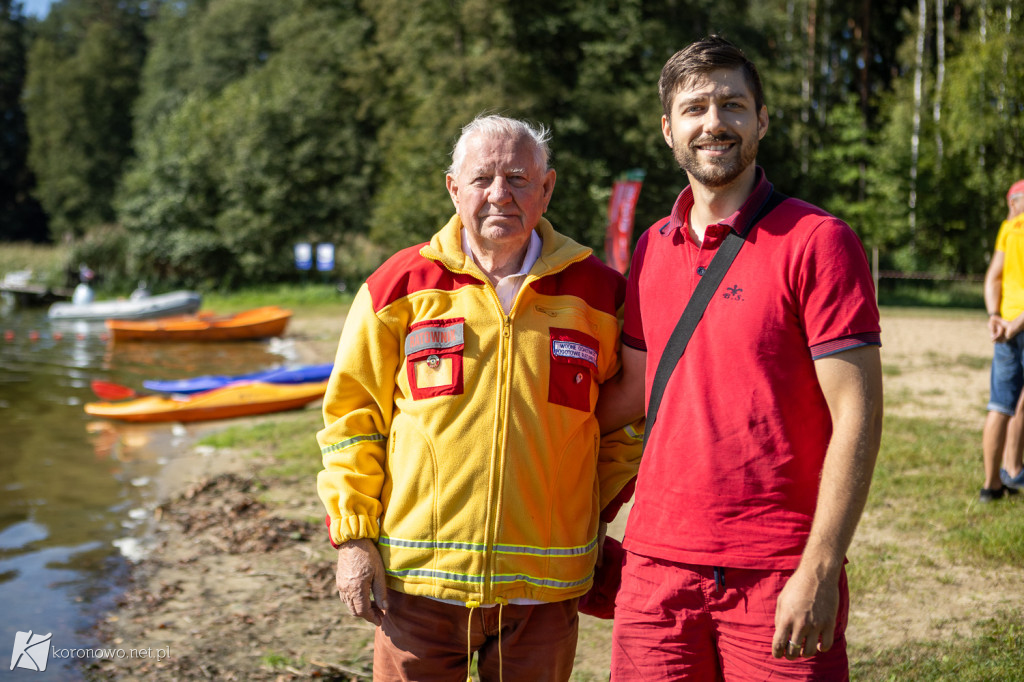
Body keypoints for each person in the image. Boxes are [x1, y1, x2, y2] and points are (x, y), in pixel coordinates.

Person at [315, 114, 642, 681]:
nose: (500, 195)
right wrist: (353, 537)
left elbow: (630, 420)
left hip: (545, 589)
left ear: (547, 188)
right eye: (482, 178)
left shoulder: (601, 294)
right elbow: (353, 419)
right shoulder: (397, 287)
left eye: (518, 178)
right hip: (415, 585)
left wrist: (586, 507)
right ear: (453, 188)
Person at [597, 36, 883, 680]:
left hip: (777, 568)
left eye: (732, 104)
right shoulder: (650, 247)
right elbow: (634, 389)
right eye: (695, 107)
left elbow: (857, 416)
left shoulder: (820, 241)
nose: (714, 122)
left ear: (762, 120)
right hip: (654, 572)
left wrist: (821, 566)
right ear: (668, 129)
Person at [982, 179, 1024, 499]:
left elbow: (993, 276)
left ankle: (993, 484)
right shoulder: (1010, 228)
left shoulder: (1008, 230)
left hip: (1008, 324)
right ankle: (1012, 470)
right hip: (1017, 324)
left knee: (1000, 404)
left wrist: (994, 315)